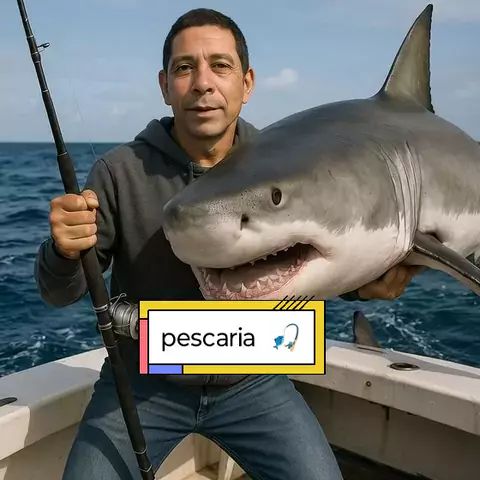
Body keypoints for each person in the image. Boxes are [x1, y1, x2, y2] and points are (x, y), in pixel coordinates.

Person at [34, 8, 420, 480]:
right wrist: (63, 251)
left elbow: (314, 247)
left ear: (247, 82)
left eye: (220, 65)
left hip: (252, 382)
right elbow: (60, 293)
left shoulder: (291, 163)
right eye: (184, 68)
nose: (203, 83)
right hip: (142, 383)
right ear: (164, 85)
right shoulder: (119, 173)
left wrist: (365, 284)